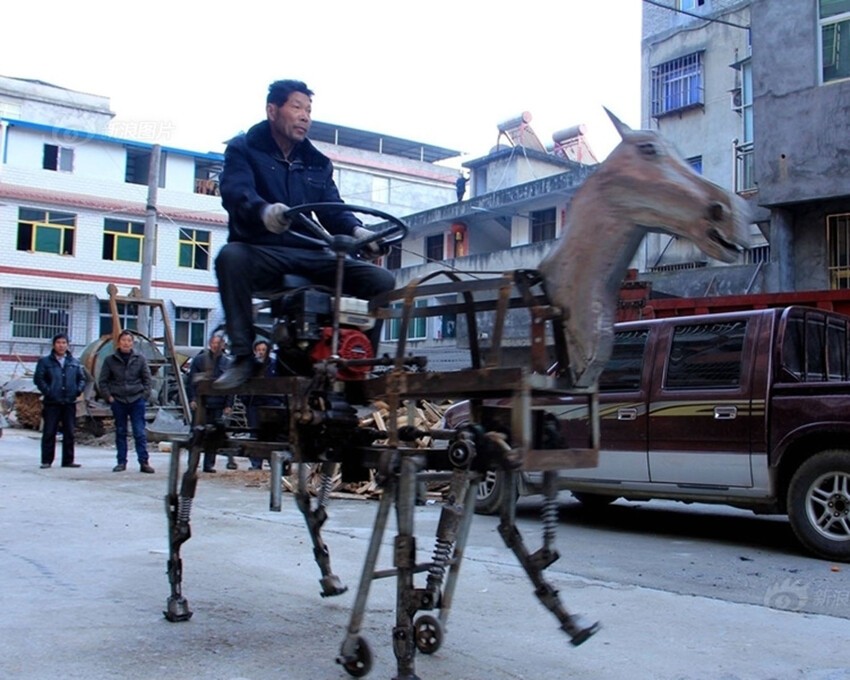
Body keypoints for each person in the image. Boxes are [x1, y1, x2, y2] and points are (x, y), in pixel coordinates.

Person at [214, 78, 396, 389]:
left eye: (309, 110)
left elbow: (332, 209)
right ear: (273, 110)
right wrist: (263, 211)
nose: (304, 116)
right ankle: (243, 356)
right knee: (230, 258)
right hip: (263, 250)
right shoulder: (242, 149)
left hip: (309, 252)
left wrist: (359, 232)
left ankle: (357, 363)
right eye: (297, 107)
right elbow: (236, 192)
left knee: (381, 281)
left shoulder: (316, 162)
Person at [98, 330, 155, 473]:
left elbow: (147, 379)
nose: (126, 343)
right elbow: (103, 381)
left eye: (129, 341)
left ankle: (144, 462)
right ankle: (121, 462)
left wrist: (144, 396)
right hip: (118, 401)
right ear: (119, 342)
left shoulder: (140, 359)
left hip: (136, 400)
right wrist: (109, 397)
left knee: (139, 432)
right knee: (121, 431)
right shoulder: (110, 360)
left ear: (132, 343)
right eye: (124, 340)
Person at [33, 333, 87, 468]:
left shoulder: (74, 362)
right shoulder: (45, 362)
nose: (61, 345)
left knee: (69, 432)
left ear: (68, 345)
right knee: (49, 431)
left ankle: (68, 460)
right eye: (58, 343)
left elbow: (82, 379)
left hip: (69, 402)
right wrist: (49, 391)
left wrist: (77, 390)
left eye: (64, 343)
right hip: (52, 402)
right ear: (53, 345)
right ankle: (46, 460)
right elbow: (39, 379)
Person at [185, 332, 234, 472]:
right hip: (201, 404)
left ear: (223, 345)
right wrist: (192, 399)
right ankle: (192, 463)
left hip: (218, 404)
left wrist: (228, 404)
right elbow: (191, 382)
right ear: (209, 344)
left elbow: (231, 386)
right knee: (196, 434)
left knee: (213, 436)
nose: (215, 346)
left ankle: (209, 464)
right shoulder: (199, 360)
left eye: (218, 343)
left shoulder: (227, 363)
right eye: (213, 343)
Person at [242, 340, 279, 470]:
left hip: (270, 403)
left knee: (270, 433)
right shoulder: (250, 367)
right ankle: (256, 463)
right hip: (254, 403)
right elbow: (243, 384)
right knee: (254, 432)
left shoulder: (274, 365)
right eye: (259, 349)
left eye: (264, 349)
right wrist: (246, 400)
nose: (261, 352)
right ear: (255, 351)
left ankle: (271, 461)